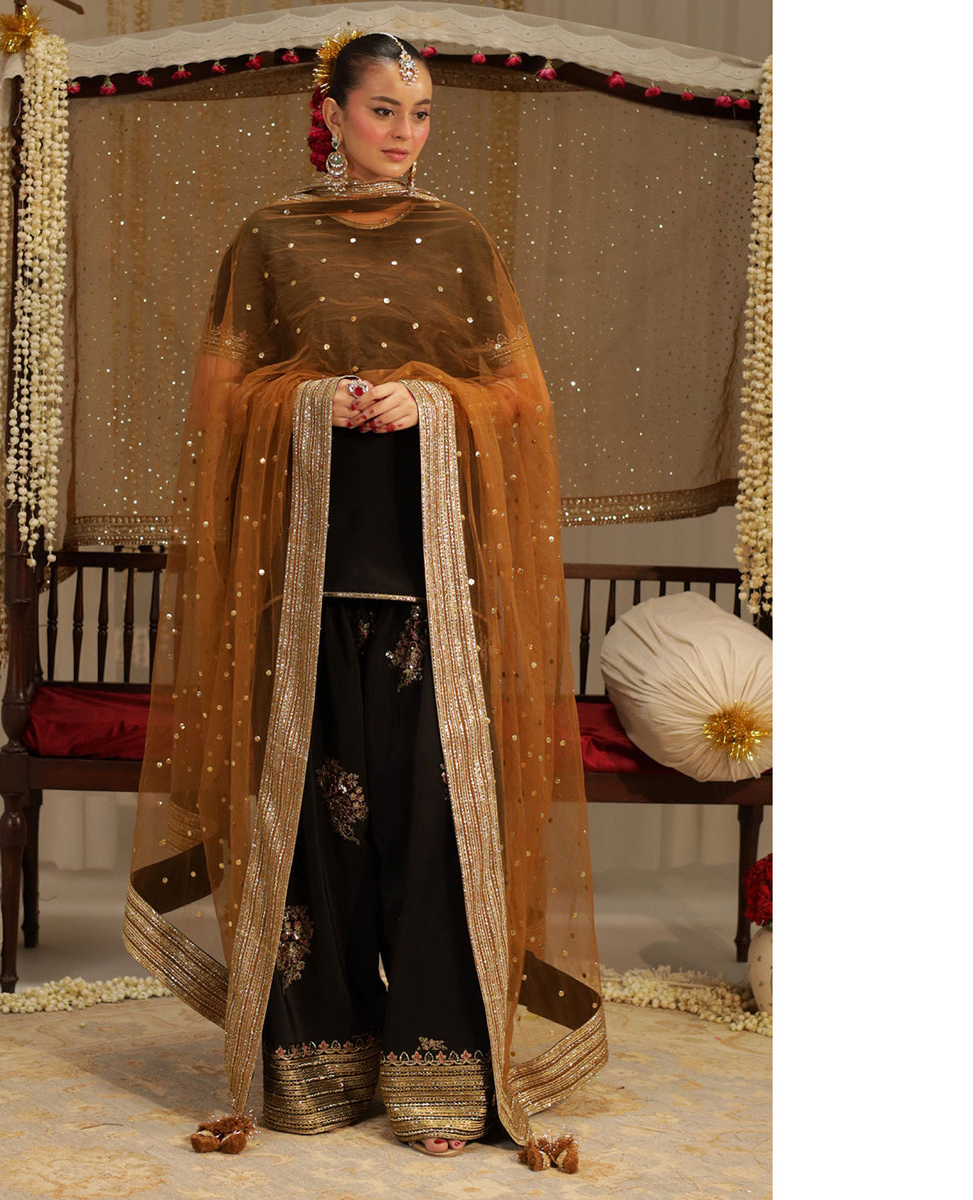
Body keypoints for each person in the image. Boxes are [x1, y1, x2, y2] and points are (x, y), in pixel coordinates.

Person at [124, 30, 606, 1166]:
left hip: (436, 580)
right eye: (385, 109)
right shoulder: (270, 238)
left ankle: (442, 1067)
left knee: (436, 823)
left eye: (421, 112)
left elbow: (517, 398)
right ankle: (317, 1061)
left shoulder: (460, 238)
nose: (405, 132)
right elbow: (218, 401)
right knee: (309, 825)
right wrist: (311, 403)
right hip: (301, 582)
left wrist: (430, 402)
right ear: (332, 112)